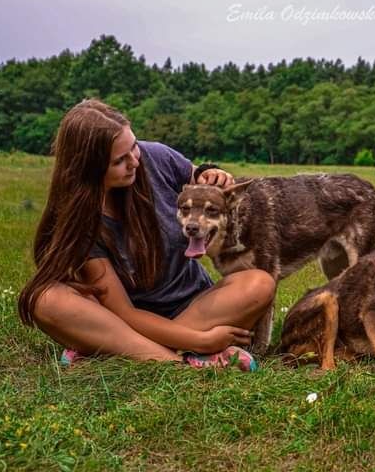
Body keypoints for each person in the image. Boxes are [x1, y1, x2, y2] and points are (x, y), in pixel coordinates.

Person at [18, 99, 275, 370]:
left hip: (193, 306)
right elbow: (125, 313)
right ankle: (180, 361)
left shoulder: (157, 157)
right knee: (45, 299)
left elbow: (199, 178)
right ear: (89, 170)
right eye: (119, 160)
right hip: (122, 320)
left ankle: (113, 351)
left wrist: (212, 174)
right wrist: (204, 340)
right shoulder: (81, 221)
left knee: (259, 284)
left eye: (134, 147)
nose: (134, 162)